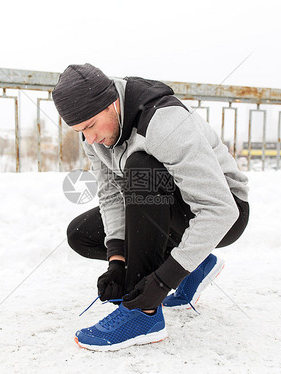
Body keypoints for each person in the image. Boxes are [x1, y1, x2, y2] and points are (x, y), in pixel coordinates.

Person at [53, 64, 249, 351]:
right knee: (81, 234)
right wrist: (117, 261)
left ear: (112, 103)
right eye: (80, 131)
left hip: (223, 210)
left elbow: (220, 209)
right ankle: (192, 263)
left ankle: (142, 315)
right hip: (167, 210)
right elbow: (110, 195)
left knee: (141, 168)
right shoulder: (93, 137)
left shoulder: (163, 121)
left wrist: (161, 282)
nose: (90, 139)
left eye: (92, 126)